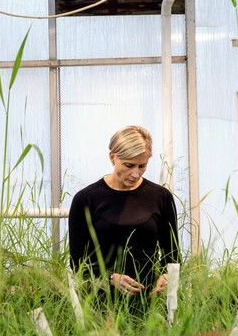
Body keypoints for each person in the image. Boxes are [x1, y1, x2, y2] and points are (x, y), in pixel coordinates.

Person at [68, 125, 181, 311]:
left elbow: (172, 254)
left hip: (150, 302)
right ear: (112, 157)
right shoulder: (86, 199)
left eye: (142, 166)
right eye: (129, 165)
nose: (136, 173)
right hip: (100, 304)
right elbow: (78, 261)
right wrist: (111, 278)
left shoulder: (161, 197)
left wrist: (166, 276)